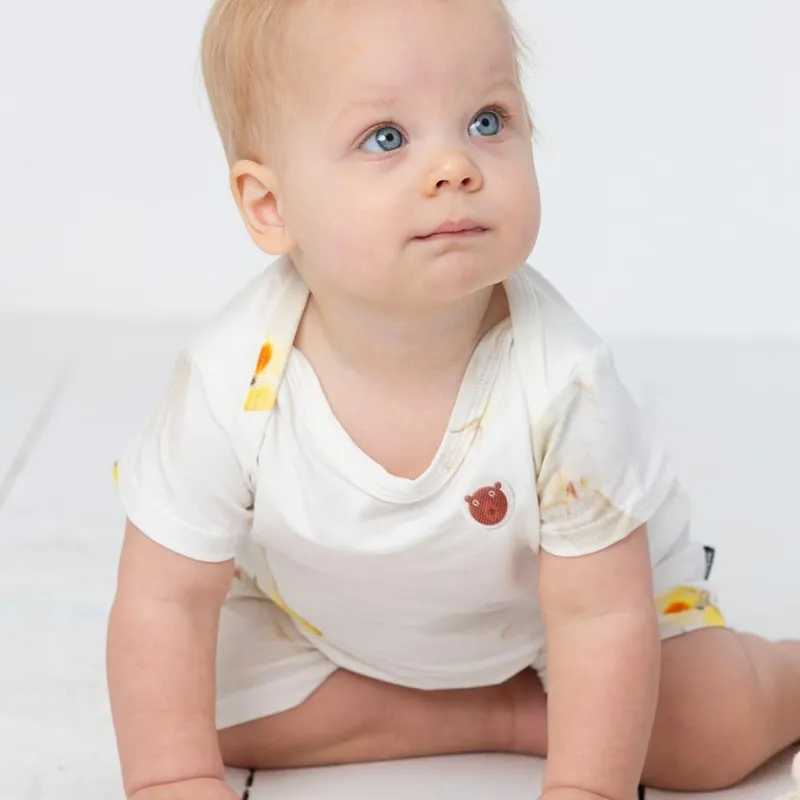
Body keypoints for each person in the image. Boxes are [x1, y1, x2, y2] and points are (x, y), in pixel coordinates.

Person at [106, 1, 800, 798]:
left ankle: (785, 677)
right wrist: (174, 777)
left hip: (565, 623)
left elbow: (600, 619)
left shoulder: (563, 382)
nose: (455, 167)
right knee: (194, 703)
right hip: (326, 624)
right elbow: (164, 600)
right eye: (386, 137)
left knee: (706, 729)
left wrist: (585, 787)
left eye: (486, 121)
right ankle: (505, 716)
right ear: (271, 207)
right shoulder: (230, 382)